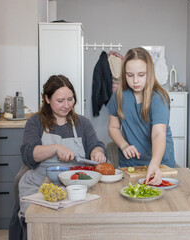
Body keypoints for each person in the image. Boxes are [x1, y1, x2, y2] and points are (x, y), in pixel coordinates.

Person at [13, 75, 106, 239]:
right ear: (47, 99)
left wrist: (97, 151)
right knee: (41, 230)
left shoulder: (82, 123)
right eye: (60, 100)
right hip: (39, 186)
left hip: (75, 186)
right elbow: (30, 154)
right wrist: (55, 148)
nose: (66, 105)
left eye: (70, 99)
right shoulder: (35, 122)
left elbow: (95, 144)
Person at [107, 47, 175, 186]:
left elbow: (158, 134)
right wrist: (124, 145)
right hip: (130, 164)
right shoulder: (119, 95)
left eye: (141, 74)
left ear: (149, 73)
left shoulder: (158, 98)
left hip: (159, 163)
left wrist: (155, 164)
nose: (135, 81)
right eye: (130, 75)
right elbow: (113, 127)